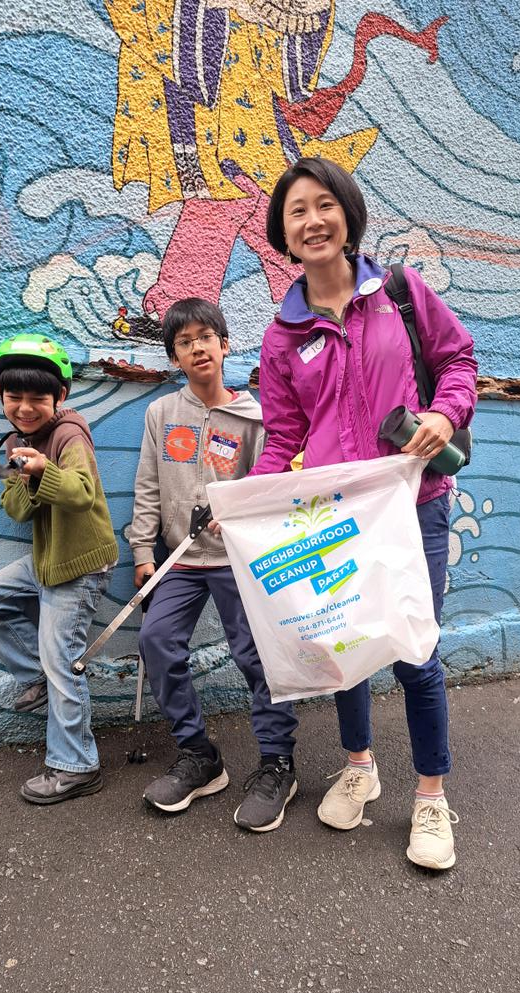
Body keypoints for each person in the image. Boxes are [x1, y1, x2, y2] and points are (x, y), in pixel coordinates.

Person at [250, 157, 477, 868]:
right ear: (283, 233)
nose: (312, 221)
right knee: (343, 652)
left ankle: (432, 800)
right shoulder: (283, 334)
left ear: (347, 214)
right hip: (331, 515)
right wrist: (244, 505)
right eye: (297, 211)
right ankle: (360, 765)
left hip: (416, 505)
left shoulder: (402, 295)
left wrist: (445, 412)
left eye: (324, 205)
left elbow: (461, 361)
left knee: (413, 652)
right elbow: (282, 436)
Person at [129, 298, 299, 832]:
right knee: (156, 641)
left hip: (238, 560)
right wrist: (141, 551)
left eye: (206, 336)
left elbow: (273, 483)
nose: (197, 347)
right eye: (184, 342)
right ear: (174, 357)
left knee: (255, 656)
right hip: (180, 560)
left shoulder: (256, 417)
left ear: (225, 345)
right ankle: (199, 756)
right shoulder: (162, 415)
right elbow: (148, 487)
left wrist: (241, 514)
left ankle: (278, 763)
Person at [0, 334, 118, 805]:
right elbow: (14, 509)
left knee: (64, 664)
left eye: (38, 398)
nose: (26, 407)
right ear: (2, 398)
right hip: (48, 558)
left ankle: (77, 766)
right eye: (15, 397)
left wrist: (39, 471)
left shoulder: (71, 433)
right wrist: (23, 473)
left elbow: (81, 493)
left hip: (80, 565)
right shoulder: (16, 443)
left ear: (61, 398)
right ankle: (34, 675)